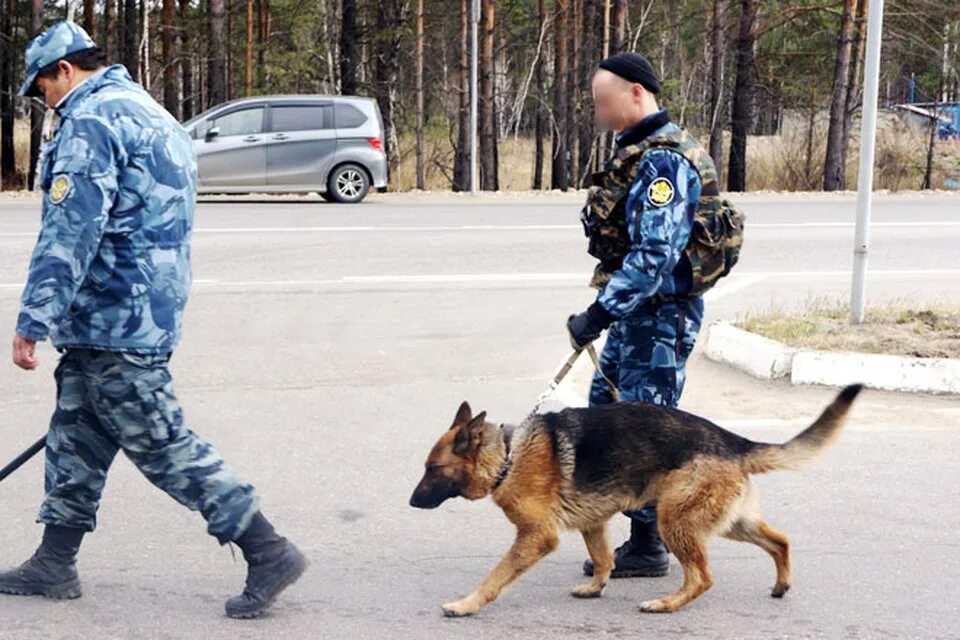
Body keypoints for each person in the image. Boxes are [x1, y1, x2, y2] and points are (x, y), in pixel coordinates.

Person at [2, 21, 306, 619]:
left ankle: (267, 548)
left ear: (65, 70)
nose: (44, 102)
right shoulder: (150, 112)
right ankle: (54, 561)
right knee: (76, 435)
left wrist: (34, 317)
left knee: (162, 442)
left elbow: (72, 229)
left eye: (42, 89)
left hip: (114, 315)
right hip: (138, 308)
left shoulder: (92, 120)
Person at [567, 52, 720, 579]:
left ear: (636, 92)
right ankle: (623, 537)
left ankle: (649, 545)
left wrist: (598, 312)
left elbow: (655, 255)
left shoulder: (664, 162)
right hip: (637, 317)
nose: (599, 111)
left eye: (604, 101)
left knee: (645, 433)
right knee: (605, 415)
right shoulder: (637, 153)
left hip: (660, 319)